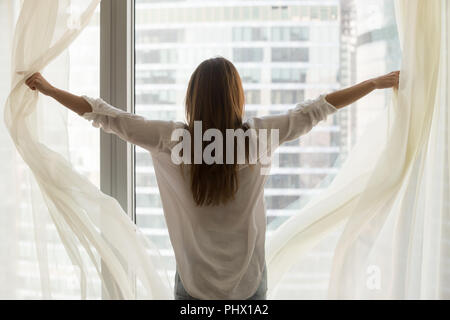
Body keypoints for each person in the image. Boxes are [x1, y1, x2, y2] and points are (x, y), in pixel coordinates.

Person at [25, 57, 399, 300]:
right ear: (237, 97)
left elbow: (105, 116)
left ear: (193, 98)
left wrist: (49, 88)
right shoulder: (257, 137)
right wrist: (375, 83)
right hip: (249, 287)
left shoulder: (173, 140)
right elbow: (318, 108)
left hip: (194, 288)